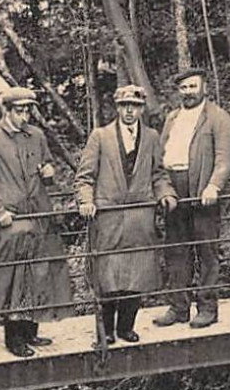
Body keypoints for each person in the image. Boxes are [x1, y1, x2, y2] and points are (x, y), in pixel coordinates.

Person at [0, 86, 72, 358]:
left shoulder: (36, 136)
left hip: (39, 217)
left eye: (28, 110)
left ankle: (31, 332)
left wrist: (50, 172)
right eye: (19, 111)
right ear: (7, 110)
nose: (25, 116)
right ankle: (14, 338)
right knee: (12, 279)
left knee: (39, 274)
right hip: (10, 223)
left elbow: (47, 169)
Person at [74, 84, 177, 344]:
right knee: (108, 276)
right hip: (108, 217)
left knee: (136, 275)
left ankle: (125, 327)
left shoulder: (152, 137)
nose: (129, 111)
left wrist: (166, 194)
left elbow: (158, 174)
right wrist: (86, 201)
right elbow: (84, 177)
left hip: (140, 219)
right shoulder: (100, 136)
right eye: (124, 106)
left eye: (135, 106)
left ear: (141, 108)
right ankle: (106, 331)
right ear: (117, 108)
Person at [153, 68, 230, 329]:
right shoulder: (172, 118)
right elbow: (159, 160)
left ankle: (207, 307)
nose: (188, 92)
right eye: (184, 88)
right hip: (174, 188)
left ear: (204, 88)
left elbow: (225, 159)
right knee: (176, 250)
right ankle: (178, 307)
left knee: (207, 249)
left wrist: (214, 185)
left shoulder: (218, 118)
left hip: (202, 189)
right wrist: (165, 190)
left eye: (192, 86)